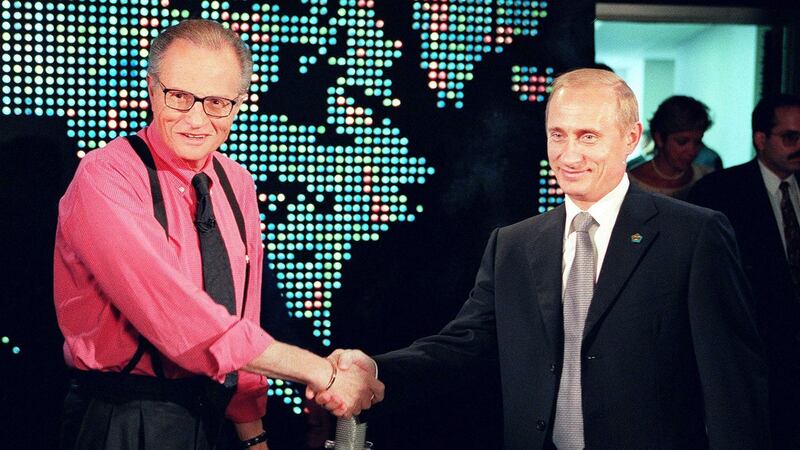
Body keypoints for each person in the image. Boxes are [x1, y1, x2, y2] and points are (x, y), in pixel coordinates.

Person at [313, 68, 769, 449]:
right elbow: (462, 346)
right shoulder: (513, 244)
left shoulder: (693, 234)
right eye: (558, 135)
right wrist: (375, 369)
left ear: (631, 138)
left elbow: (733, 384)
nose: (569, 155)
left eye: (588, 136)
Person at [54, 19, 382, 450]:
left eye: (217, 103)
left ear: (240, 102)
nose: (197, 119)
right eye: (180, 97)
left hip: (214, 421)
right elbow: (175, 314)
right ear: (153, 89)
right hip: (126, 418)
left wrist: (253, 435)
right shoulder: (106, 175)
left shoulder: (237, 182)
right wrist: (320, 372)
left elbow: (240, 319)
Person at [689, 94, 800, 449]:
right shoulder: (721, 191)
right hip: (751, 348)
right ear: (761, 139)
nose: (799, 146)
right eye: (790, 137)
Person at [628, 95, 715, 199]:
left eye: (697, 142)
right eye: (682, 141)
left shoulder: (707, 177)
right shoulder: (629, 183)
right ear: (659, 138)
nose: (692, 151)